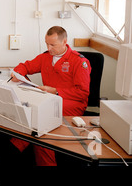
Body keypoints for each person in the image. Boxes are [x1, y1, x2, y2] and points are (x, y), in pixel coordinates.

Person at [10, 26, 91, 166]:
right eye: (46, 43)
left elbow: (82, 93)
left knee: (39, 119)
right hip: (49, 101)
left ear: (65, 41)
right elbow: (25, 66)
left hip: (72, 103)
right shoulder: (45, 57)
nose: (49, 47)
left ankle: (14, 148)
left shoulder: (79, 61)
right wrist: (17, 73)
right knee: (39, 127)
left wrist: (55, 91)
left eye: (53, 44)